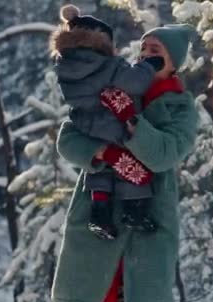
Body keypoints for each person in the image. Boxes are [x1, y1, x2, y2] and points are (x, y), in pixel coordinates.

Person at [51, 23, 198, 302]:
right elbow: (68, 138)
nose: (146, 55)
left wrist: (130, 120)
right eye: (143, 49)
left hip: (149, 222)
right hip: (98, 216)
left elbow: (164, 154)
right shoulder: (116, 86)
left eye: (155, 51)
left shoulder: (182, 108)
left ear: (174, 61)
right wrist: (105, 153)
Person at [50, 4, 166, 240]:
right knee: (130, 165)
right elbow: (135, 82)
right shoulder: (108, 65)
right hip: (113, 123)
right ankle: (134, 211)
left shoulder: (65, 68)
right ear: (101, 43)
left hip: (87, 126)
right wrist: (148, 66)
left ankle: (99, 213)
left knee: (101, 170)